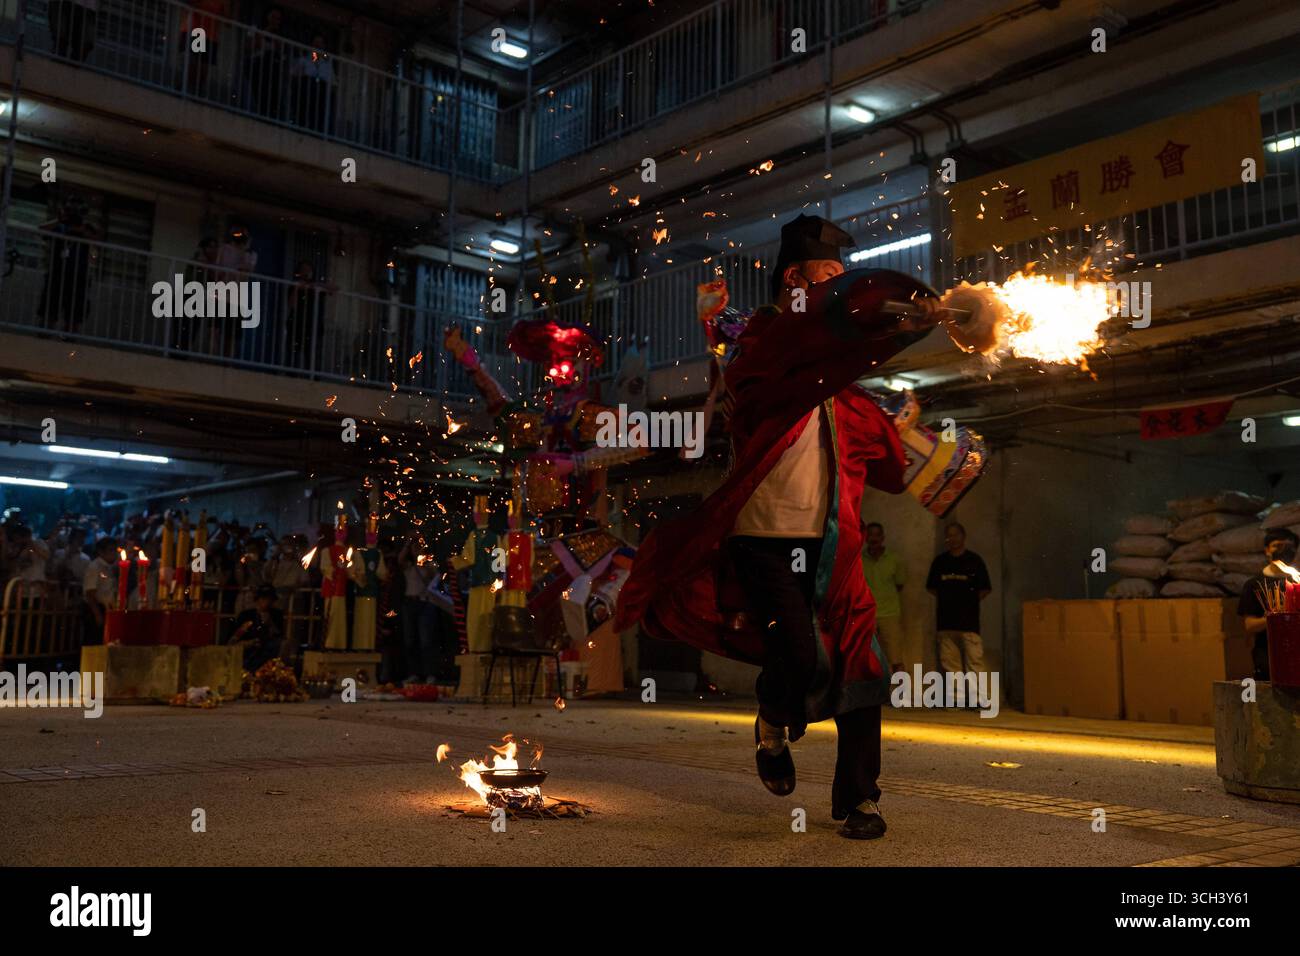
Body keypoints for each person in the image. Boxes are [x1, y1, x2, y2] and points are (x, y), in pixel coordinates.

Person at [617, 213, 978, 841]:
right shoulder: (760, 353)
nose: (843, 287)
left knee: (862, 665)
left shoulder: (849, 394)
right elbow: (800, 351)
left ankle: (861, 800)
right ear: (796, 282)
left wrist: (912, 429)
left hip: (837, 550)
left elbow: (893, 470)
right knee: (801, 655)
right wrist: (894, 322)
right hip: (763, 543)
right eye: (831, 275)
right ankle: (772, 721)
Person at [926, 522, 992, 691]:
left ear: (963, 536)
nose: (953, 539)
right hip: (946, 623)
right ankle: (957, 699)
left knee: (974, 662)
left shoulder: (975, 561)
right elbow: (931, 588)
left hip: (969, 623)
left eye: (956, 535)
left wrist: (967, 602)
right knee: (950, 665)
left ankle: (978, 698)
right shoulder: (940, 562)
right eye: (949, 535)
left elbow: (985, 589)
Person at [1236, 528, 1297, 681]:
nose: (1284, 550)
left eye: (1289, 546)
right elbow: (1250, 625)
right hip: (1269, 656)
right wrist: (1274, 618)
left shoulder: (1296, 581)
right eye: (1278, 545)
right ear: (1267, 550)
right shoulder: (1254, 584)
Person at [36, 195, 101, 336]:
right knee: (49, 307)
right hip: (57, 273)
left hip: (79, 276)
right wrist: (59, 220)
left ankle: (69, 338)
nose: (74, 213)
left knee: (75, 313)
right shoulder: (60, 225)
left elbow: (97, 241)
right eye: (71, 209)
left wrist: (81, 230)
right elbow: (41, 230)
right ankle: (44, 334)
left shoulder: (87, 227)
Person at [862, 521, 912, 677]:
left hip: (890, 614)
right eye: (870, 535)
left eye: (877, 535)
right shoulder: (858, 559)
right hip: (866, 615)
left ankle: (901, 691)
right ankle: (874, 690)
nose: (874, 538)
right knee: (867, 658)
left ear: (883, 538)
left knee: (895, 657)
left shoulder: (894, 559)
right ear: (865, 537)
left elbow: (899, 584)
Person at [227, 584, 288, 670]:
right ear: (257, 599)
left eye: (270, 599)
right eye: (264, 598)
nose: (267, 602)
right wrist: (248, 643)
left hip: (267, 650)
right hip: (248, 650)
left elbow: (279, 637)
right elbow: (233, 640)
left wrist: (270, 623)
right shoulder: (246, 615)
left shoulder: (276, 615)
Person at [82, 538, 118, 644]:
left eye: (115, 550)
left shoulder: (111, 567)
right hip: (96, 609)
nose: (114, 553)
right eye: (110, 550)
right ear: (101, 552)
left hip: (107, 609)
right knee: (95, 640)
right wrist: (97, 614)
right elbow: (90, 592)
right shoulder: (95, 567)